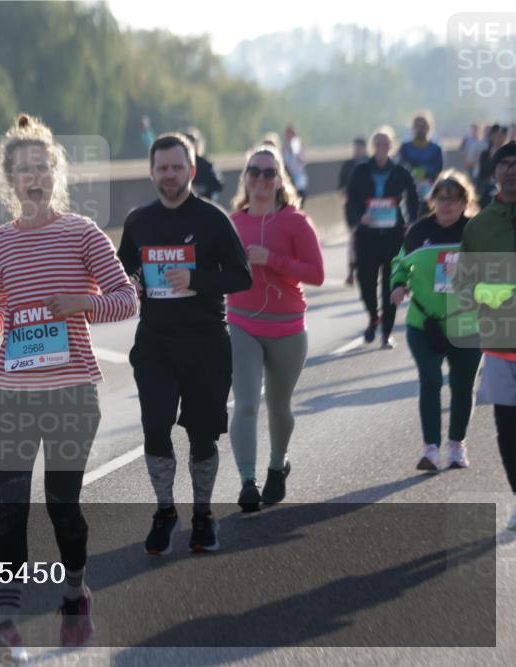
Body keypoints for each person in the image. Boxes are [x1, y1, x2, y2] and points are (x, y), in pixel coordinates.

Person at [0, 114, 137, 661]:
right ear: (10, 180)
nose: (33, 176)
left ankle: (74, 593)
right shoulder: (1, 242)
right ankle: (8, 620)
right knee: (10, 507)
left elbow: (126, 298)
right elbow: (3, 306)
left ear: (55, 174)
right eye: (23, 169)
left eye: (42, 166)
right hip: (13, 389)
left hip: (71, 390)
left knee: (61, 505)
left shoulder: (82, 233)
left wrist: (83, 303)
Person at [117, 133, 251, 554]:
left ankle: (203, 514)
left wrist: (197, 280)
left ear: (191, 170)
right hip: (155, 342)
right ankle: (164, 511)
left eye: (177, 167)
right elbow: (123, 271)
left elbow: (241, 277)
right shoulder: (139, 221)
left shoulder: (212, 219)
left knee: (202, 436)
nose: (170, 175)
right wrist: (133, 283)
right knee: (155, 428)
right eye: (162, 168)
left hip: (206, 342)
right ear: (152, 172)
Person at [227, 145, 324, 512]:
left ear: (280, 180)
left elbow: (316, 274)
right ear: (245, 178)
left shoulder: (295, 222)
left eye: (269, 173)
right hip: (241, 323)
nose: (261, 179)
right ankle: (247, 481)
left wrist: (274, 261)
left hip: (287, 327)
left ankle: (277, 465)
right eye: (255, 171)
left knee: (278, 405)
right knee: (246, 404)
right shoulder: (233, 223)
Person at [390, 170, 482, 471]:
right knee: (429, 380)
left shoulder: (476, 231)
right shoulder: (419, 232)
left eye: (454, 200)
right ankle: (431, 449)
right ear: (434, 201)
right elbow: (400, 264)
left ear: (464, 202)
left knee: (462, 383)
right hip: (424, 321)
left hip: (466, 321)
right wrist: (398, 285)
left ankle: (456, 445)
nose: (447, 205)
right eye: (441, 198)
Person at [457, 141, 516, 531]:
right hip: (501, 346)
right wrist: (488, 293)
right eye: (505, 164)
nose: (511, 170)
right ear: (494, 173)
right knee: (508, 430)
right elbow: (463, 286)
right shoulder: (479, 227)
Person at [346, 125, 419, 348]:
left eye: (385, 143)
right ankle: (372, 316)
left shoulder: (400, 171)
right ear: (372, 146)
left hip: (392, 235)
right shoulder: (360, 171)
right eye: (377, 143)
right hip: (367, 235)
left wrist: (411, 222)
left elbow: (413, 196)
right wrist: (360, 218)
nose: (381, 147)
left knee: (392, 284)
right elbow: (351, 199)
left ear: (391, 146)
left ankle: (386, 333)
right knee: (365, 281)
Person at [397, 112, 444, 217]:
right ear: (413, 127)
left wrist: (423, 173)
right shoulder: (405, 147)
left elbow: (439, 169)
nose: (420, 128)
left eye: (423, 125)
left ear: (429, 127)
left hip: (430, 190)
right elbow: (400, 167)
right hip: (410, 190)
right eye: (417, 125)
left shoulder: (436, 149)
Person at [339, 137, 369, 287]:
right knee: (353, 238)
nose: (356, 151)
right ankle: (351, 271)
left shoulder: (371, 163)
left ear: (365, 149)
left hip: (369, 208)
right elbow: (341, 189)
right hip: (352, 208)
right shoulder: (347, 165)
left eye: (359, 148)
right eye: (355, 148)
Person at [183, 127, 225, 202]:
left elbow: (217, 185)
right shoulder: (176, 164)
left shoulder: (205, 165)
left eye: (191, 141)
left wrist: (201, 189)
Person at [477, 124, 508, 209]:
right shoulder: (485, 154)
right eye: (496, 135)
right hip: (487, 187)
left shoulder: (509, 154)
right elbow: (483, 172)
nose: (499, 138)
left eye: (502, 135)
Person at [282, 125, 308, 203]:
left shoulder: (299, 147)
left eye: (292, 133)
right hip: (287, 177)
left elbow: (303, 161)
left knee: (301, 196)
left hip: (298, 176)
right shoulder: (283, 148)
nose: (290, 136)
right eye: (288, 133)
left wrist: (296, 152)